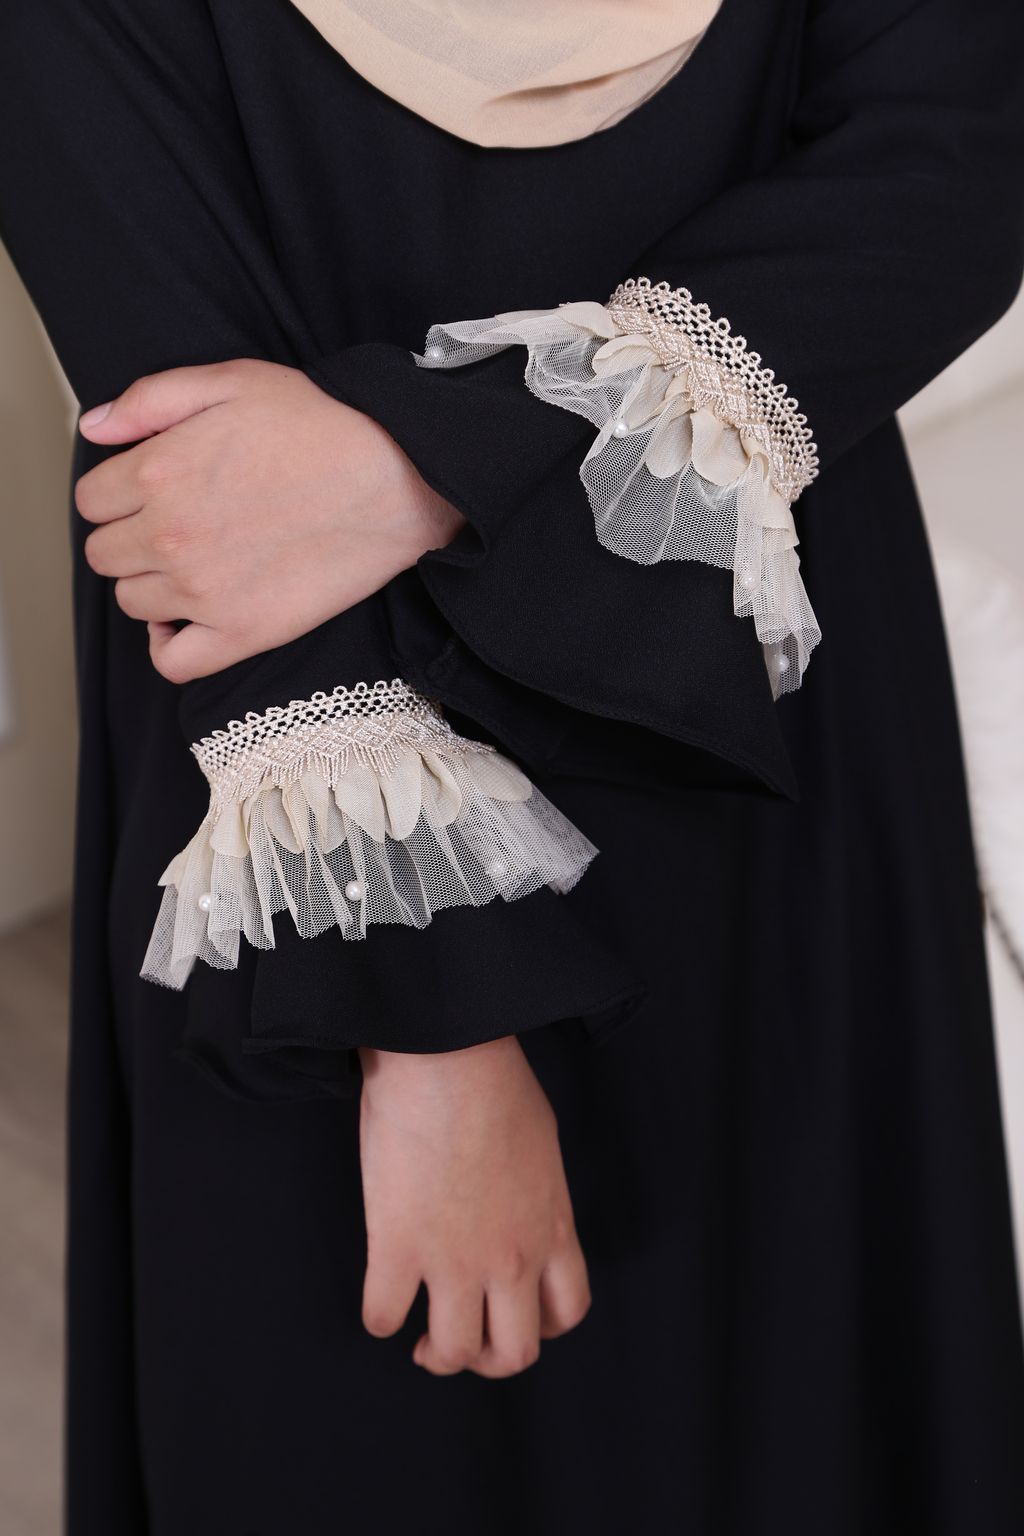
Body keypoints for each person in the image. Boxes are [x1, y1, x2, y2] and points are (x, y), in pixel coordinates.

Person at [2, 2, 1023, 1531]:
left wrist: (423, 464)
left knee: (798, 1398)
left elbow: (954, 163)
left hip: (769, 716)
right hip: (308, 787)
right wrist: (431, 1027)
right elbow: (181, 431)